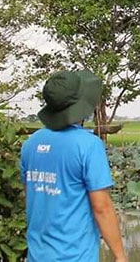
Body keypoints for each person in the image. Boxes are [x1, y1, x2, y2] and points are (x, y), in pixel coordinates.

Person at [20, 70, 127, 262]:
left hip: (37, 255)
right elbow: (101, 207)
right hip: (75, 256)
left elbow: (31, 197)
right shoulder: (88, 145)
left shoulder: (31, 144)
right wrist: (120, 256)